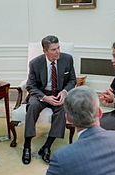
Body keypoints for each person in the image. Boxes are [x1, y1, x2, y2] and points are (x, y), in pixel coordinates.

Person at [22, 35, 76, 164]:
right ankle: (27, 146)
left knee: (62, 109)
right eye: (53, 49)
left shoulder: (67, 59)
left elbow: (72, 80)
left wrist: (64, 91)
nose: (58, 52)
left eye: (58, 48)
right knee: (33, 106)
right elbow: (30, 85)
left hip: (58, 93)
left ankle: (47, 146)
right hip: (41, 94)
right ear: (45, 51)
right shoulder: (35, 63)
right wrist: (44, 97)